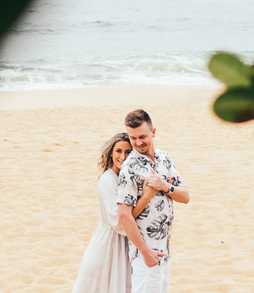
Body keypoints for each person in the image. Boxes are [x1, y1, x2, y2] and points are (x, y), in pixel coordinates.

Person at [116, 109, 190, 293]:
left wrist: (165, 186)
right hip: (146, 253)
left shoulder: (165, 158)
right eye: (133, 138)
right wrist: (146, 252)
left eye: (142, 136)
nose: (138, 142)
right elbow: (124, 216)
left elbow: (185, 196)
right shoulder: (129, 168)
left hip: (165, 249)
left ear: (153, 132)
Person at [70, 132, 150, 293]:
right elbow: (120, 221)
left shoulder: (129, 178)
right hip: (109, 243)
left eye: (128, 152)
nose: (123, 156)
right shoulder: (108, 180)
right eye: (118, 151)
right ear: (111, 153)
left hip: (127, 242)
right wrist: (148, 196)